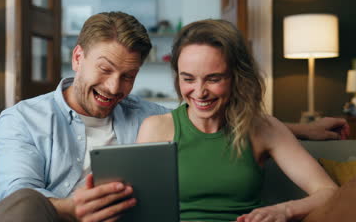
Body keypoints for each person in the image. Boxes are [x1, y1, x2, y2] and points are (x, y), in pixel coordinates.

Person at [0, 12, 348, 222]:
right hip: (33, 221)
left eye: (128, 76)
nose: (114, 87)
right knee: (27, 205)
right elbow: (18, 198)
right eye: (105, 69)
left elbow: (213, 116)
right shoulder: (22, 118)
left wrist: (301, 129)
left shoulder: (148, 118)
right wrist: (75, 208)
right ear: (78, 58)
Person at [136, 19, 338, 222]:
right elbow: (139, 209)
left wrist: (284, 211)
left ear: (237, 76)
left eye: (213, 79)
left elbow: (328, 191)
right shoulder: (156, 129)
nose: (199, 92)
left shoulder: (263, 128)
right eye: (188, 79)